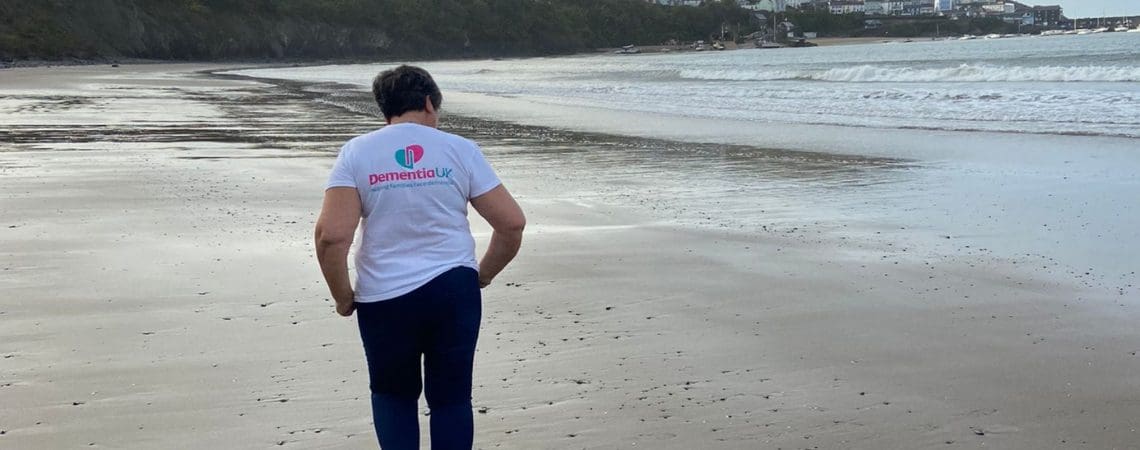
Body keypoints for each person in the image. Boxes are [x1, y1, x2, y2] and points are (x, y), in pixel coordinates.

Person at [314, 65, 525, 449]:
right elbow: (511, 224)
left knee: (393, 395)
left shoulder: (357, 152)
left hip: (385, 297)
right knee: (451, 399)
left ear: (386, 110)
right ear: (429, 103)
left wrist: (343, 296)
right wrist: (481, 275)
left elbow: (332, 237)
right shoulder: (459, 149)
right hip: (453, 291)